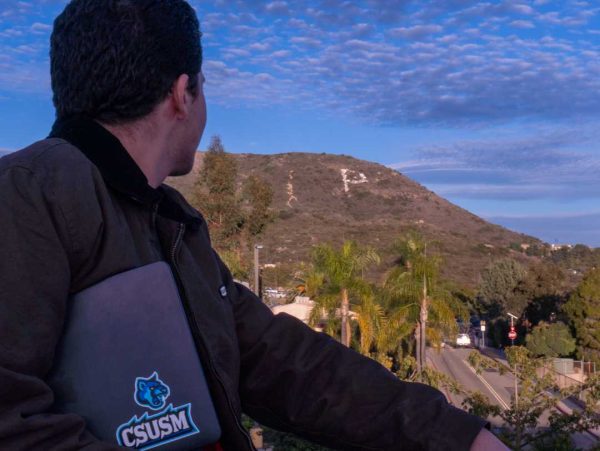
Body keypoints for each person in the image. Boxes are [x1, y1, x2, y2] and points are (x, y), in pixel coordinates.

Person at [0, 1, 508, 450]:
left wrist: (457, 436)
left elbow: (283, 363)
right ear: (183, 93)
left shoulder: (171, 224)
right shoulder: (29, 191)